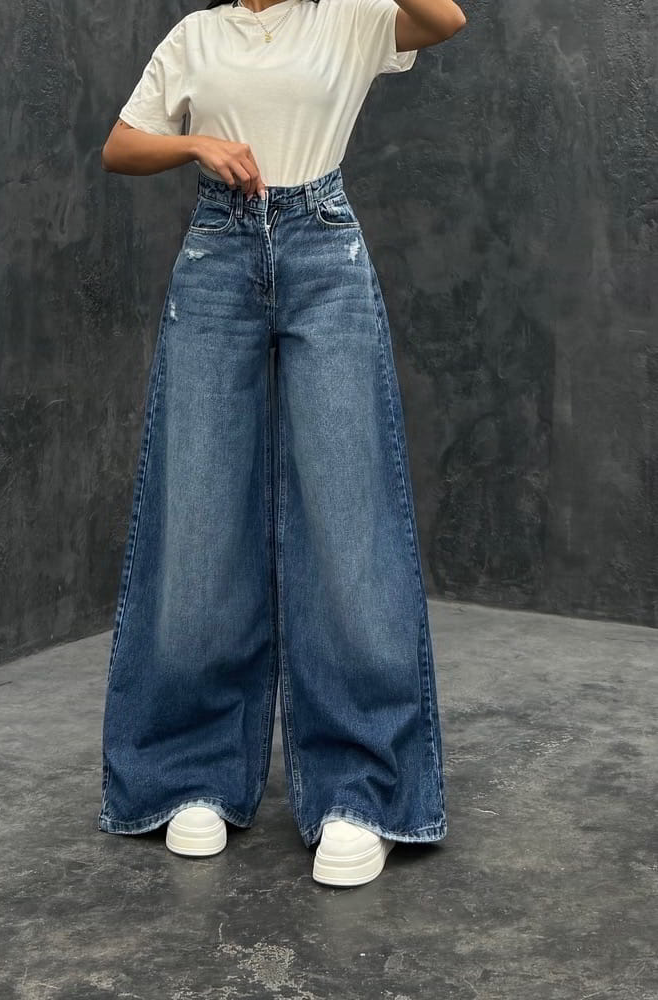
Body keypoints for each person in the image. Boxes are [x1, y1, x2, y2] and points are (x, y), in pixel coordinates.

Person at [98, 0, 466, 887]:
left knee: (347, 516)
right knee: (197, 513)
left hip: (323, 249)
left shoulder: (345, 17)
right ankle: (188, 773)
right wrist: (195, 144)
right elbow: (120, 146)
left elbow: (444, 19)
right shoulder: (197, 34)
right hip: (216, 249)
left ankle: (363, 789)